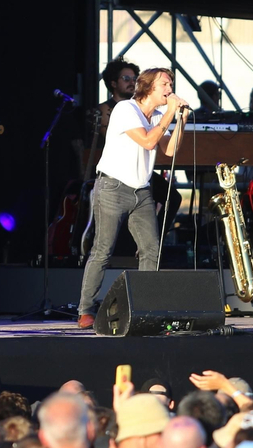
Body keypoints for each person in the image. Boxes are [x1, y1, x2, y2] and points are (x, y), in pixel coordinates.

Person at [76, 68, 189, 328]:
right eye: (165, 83)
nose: (170, 88)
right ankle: (85, 310)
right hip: (113, 187)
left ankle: (144, 307)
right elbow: (148, 142)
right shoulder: (126, 109)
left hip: (142, 191)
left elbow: (169, 150)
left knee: (151, 249)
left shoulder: (158, 115)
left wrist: (180, 121)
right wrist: (170, 113)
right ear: (148, 87)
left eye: (171, 84)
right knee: (103, 249)